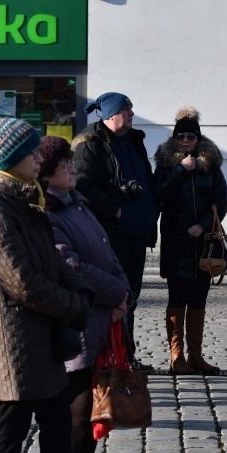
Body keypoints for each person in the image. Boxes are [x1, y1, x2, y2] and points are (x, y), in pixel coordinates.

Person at [0, 118, 94, 453]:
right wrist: (75, 307)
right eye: (33, 152)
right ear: (11, 158)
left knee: (56, 431)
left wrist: (81, 289)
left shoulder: (25, 198)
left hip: (43, 339)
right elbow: (23, 283)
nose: (40, 158)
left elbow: (52, 261)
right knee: (10, 433)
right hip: (13, 343)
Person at [38, 135, 129, 453]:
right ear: (47, 173)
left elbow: (108, 253)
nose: (73, 169)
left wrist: (124, 288)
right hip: (77, 320)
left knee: (91, 410)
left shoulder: (78, 203)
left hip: (102, 316)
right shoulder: (48, 212)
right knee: (74, 412)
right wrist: (115, 292)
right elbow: (71, 266)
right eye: (65, 166)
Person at [71, 92, 159, 368]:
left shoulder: (134, 140)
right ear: (110, 115)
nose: (132, 112)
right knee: (114, 297)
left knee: (130, 297)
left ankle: (126, 356)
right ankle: (111, 358)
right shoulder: (90, 143)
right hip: (111, 234)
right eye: (126, 109)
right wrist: (114, 209)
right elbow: (83, 185)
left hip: (137, 233)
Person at [153, 107, 227, 375]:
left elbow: (222, 201)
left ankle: (196, 355)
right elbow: (159, 196)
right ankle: (177, 356)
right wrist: (180, 171)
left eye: (190, 137)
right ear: (174, 139)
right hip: (175, 240)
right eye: (181, 136)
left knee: (199, 298)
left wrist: (204, 224)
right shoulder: (165, 165)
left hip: (204, 243)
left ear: (198, 140)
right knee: (177, 297)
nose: (186, 140)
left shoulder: (211, 166)